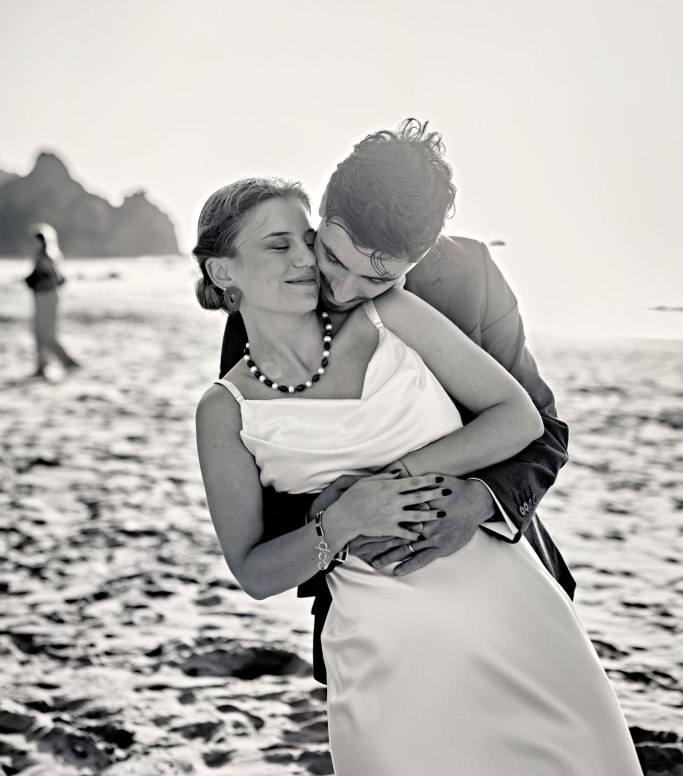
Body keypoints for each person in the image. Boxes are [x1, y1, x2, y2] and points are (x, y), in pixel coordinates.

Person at [194, 177, 642, 774]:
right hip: (382, 648)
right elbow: (256, 561)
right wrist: (338, 523)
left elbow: (533, 423)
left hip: (509, 609)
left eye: (305, 240)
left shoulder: (405, 307)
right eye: (285, 245)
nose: (311, 263)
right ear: (223, 271)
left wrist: (469, 497)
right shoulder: (227, 402)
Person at [220, 121, 573, 685]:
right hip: (368, 613)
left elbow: (543, 428)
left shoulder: (474, 277)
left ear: (421, 255)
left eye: (378, 277)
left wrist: (479, 503)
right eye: (334, 258)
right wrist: (329, 514)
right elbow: (260, 468)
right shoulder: (269, 303)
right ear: (323, 215)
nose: (343, 290)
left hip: (503, 581)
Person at [24, 223, 79, 378]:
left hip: (47, 298)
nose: (32, 244)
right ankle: (42, 366)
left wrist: (35, 281)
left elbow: (57, 279)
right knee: (39, 333)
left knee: (47, 335)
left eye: (35, 240)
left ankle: (68, 362)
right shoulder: (41, 257)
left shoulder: (47, 257)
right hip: (42, 297)